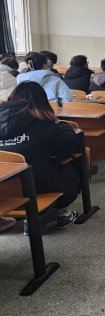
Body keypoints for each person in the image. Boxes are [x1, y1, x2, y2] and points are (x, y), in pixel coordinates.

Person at [0, 82, 81, 231]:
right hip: (35, 184)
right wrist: (63, 126)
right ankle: (62, 213)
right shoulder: (41, 122)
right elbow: (68, 144)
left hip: (3, 188)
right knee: (69, 168)